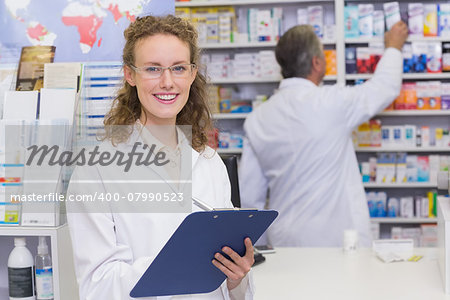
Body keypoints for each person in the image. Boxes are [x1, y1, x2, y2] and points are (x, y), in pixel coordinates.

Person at [66, 15, 254, 299]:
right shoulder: (95, 170)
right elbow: (97, 285)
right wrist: (172, 263)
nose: (167, 82)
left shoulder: (209, 163)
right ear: (130, 74)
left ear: (192, 74)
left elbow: (230, 288)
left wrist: (236, 278)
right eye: (153, 68)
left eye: (178, 68)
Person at [239, 21, 409, 247]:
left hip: (285, 243)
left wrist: (256, 253)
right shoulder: (332, 103)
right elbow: (383, 87)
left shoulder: (257, 120)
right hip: (338, 242)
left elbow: (251, 198)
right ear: (316, 63)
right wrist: (394, 47)